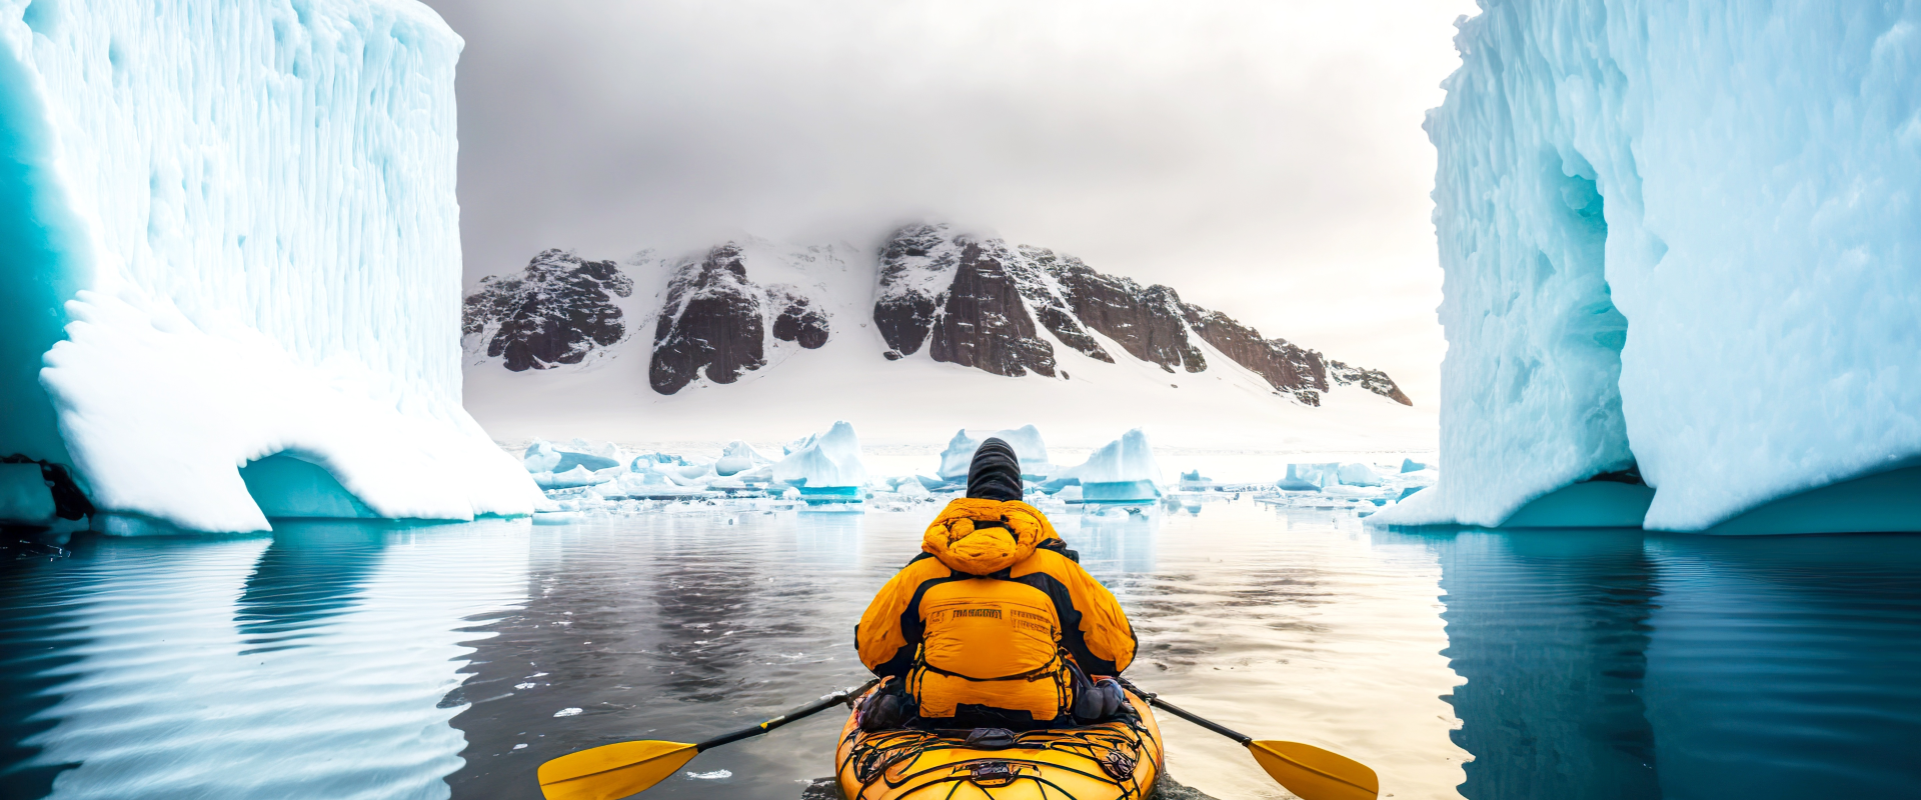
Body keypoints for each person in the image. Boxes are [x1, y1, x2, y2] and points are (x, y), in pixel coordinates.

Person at [854, 438, 1136, 731]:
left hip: (937, 707)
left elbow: (876, 649)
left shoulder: (921, 571)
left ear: (968, 494)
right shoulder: (1057, 569)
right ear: (1019, 495)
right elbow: (1111, 650)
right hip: (1041, 708)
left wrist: (902, 674)